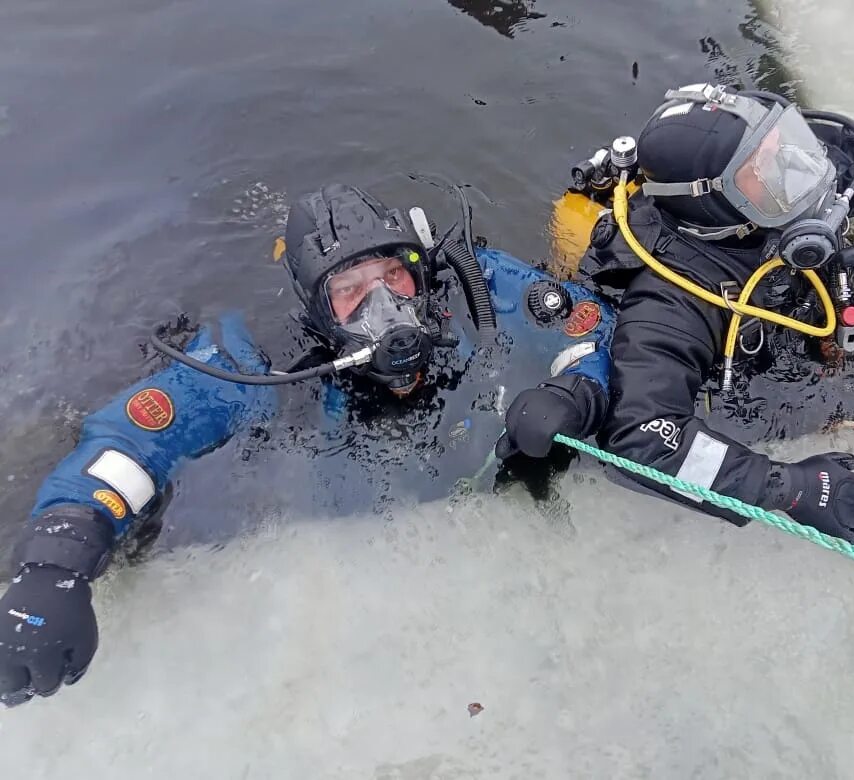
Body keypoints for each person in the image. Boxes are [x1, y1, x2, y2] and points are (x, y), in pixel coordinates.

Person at [0, 183, 616, 706]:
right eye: (351, 291)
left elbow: (589, 324)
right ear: (318, 311)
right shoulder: (261, 361)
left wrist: (573, 394)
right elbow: (134, 439)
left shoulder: (466, 287)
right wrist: (56, 563)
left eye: (394, 277)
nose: (386, 304)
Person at [498, 82, 854, 552]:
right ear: (712, 200)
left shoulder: (775, 167)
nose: (793, 168)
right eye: (763, 168)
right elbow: (643, 438)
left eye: (781, 147)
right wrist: (786, 490)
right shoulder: (669, 301)